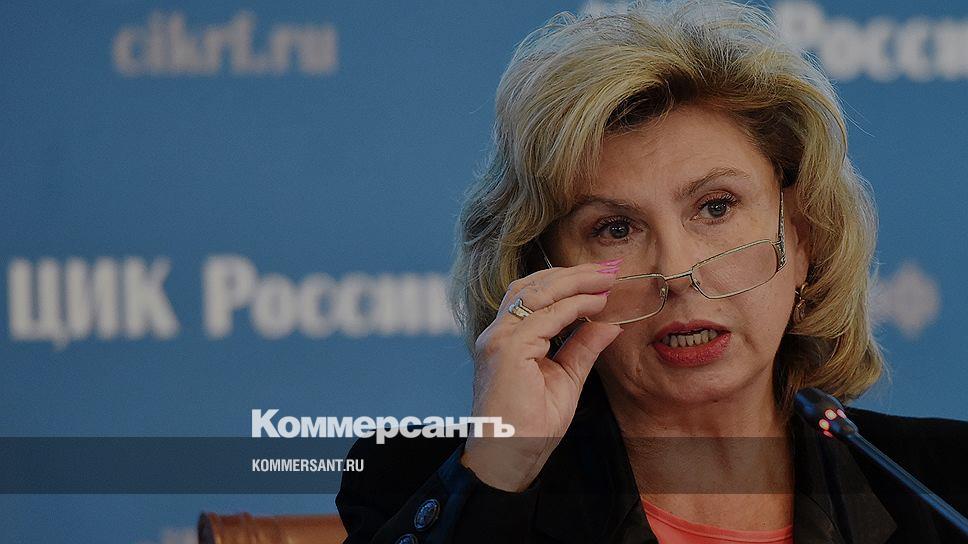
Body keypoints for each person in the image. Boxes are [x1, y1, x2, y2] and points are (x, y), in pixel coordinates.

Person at [336, 1, 968, 542]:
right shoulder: (426, 483)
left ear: (801, 239)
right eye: (616, 228)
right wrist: (502, 469)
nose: (678, 272)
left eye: (716, 207)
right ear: (543, 274)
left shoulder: (945, 486)